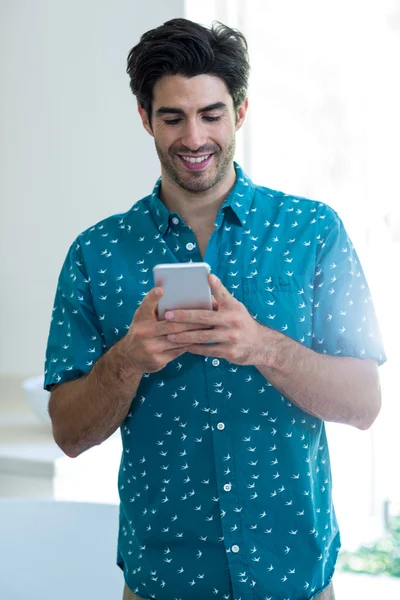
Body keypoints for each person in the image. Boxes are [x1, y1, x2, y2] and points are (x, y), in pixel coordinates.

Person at [44, 18, 386, 600]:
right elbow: (69, 433)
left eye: (212, 113)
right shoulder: (96, 253)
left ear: (241, 112)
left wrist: (263, 347)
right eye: (172, 117)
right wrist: (127, 360)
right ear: (145, 119)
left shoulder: (313, 231)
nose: (194, 137)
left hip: (294, 580)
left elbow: (363, 403)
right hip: (162, 583)